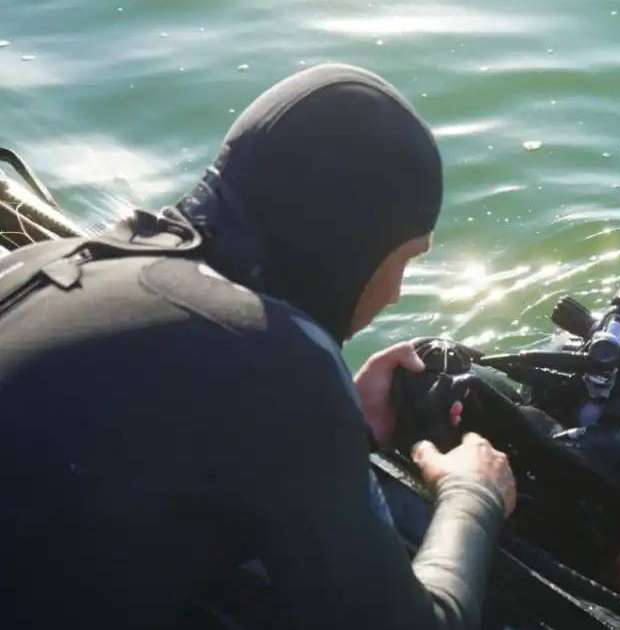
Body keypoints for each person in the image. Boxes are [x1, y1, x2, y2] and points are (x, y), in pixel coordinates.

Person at [0, 64, 517, 629]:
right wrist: (473, 495)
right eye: (407, 258)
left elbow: (133, 433)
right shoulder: (271, 362)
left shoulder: (52, 262)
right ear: (351, 244)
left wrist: (346, 424)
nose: (396, 293)